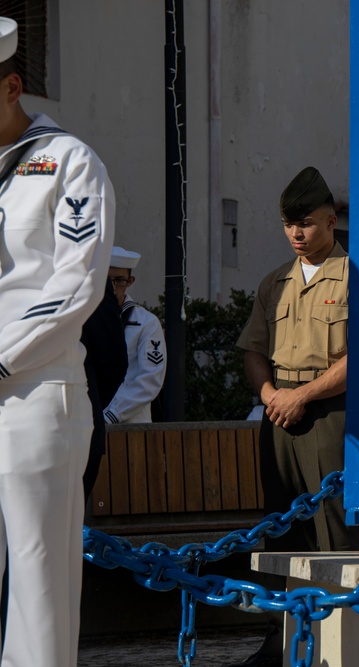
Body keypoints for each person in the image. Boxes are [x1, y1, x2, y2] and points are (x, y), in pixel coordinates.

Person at [0, 16, 114, 666]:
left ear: (13, 85)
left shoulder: (69, 163)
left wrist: (3, 357)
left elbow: (76, 285)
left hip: (35, 395)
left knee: (39, 594)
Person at [236, 166, 359, 554]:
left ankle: (344, 612)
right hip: (277, 414)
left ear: (330, 221)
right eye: (288, 225)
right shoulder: (275, 282)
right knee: (281, 525)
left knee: (334, 524)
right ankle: (287, 615)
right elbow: (253, 349)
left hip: (331, 412)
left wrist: (302, 395)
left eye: (306, 224)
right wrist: (271, 394)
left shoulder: (354, 277)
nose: (296, 234)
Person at [102, 246, 166, 424]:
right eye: (108, 281)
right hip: (88, 419)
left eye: (120, 280)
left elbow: (150, 378)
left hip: (131, 421)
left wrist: (112, 414)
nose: (113, 288)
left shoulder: (147, 322)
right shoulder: (84, 318)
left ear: (130, 281)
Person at [81, 277, 128, 499]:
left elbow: (113, 364)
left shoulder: (89, 283)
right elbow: (113, 363)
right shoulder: (88, 280)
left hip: (74, 423)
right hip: (76, 419)